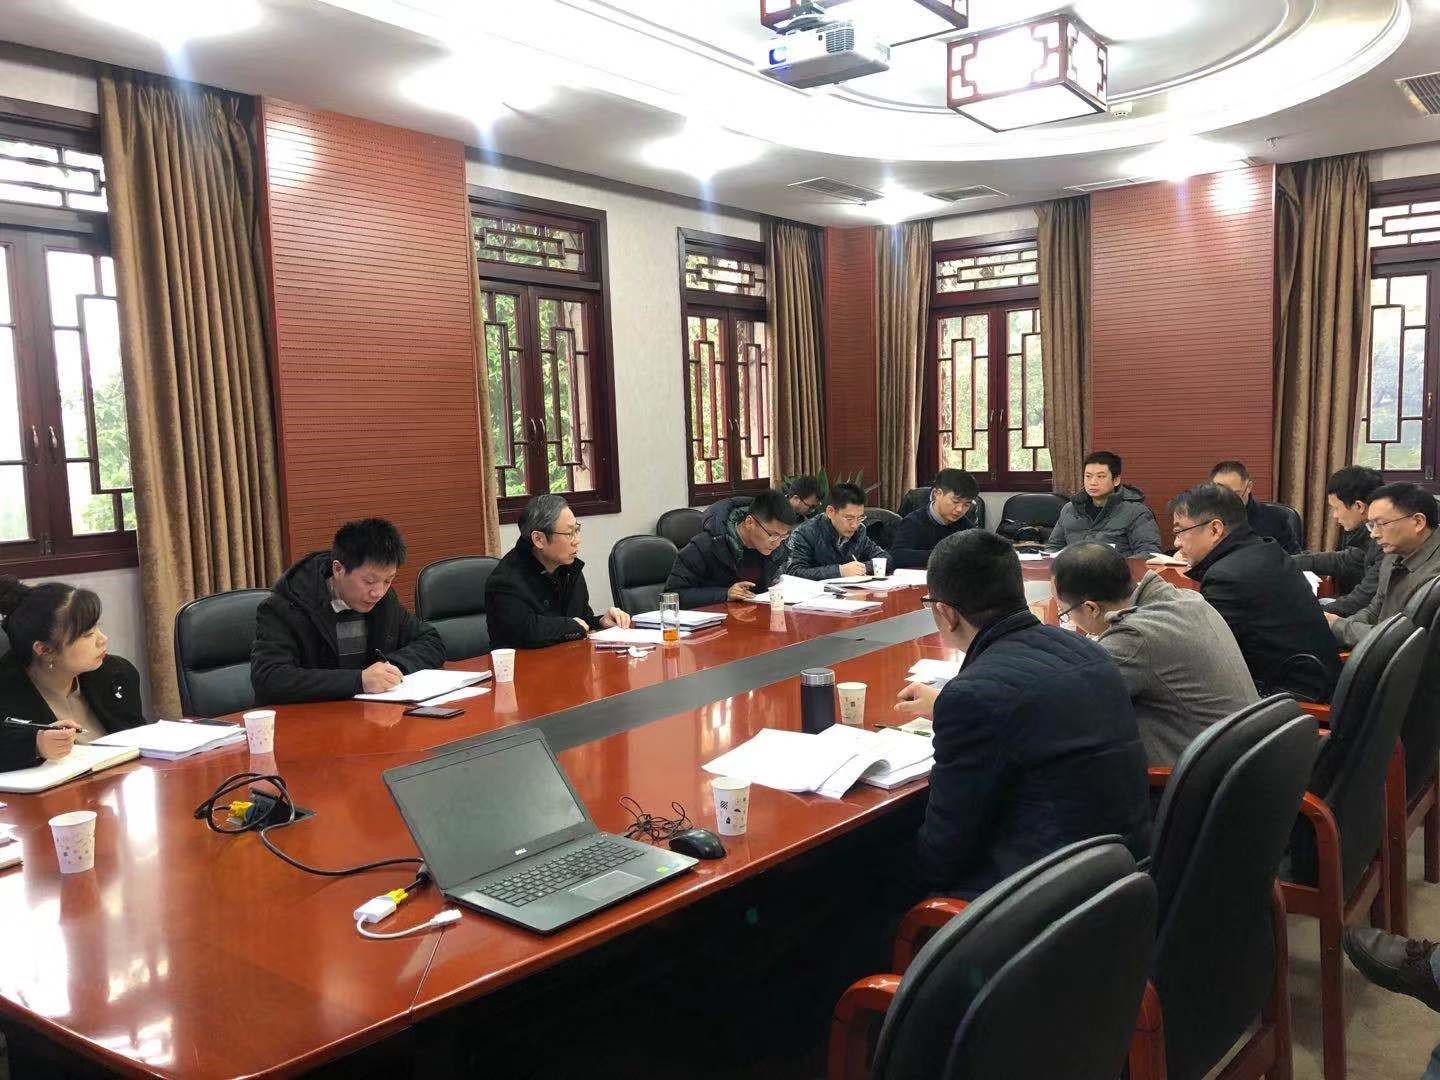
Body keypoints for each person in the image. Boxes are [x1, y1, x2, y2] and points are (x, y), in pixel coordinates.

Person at [893, 531, 1150, 898]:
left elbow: (943, 852)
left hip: (1040, 899)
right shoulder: (1088, 651)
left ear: (945, 612)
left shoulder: (972, 695)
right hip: (1121, 875)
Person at [1051, 543, 1258, 766]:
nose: (1067, 619)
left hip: (1207, 774)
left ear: (1091, 608)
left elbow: (1068, 704)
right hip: (1246, 754)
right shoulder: (1185, 598)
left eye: (1064, 612)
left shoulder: (1134, 637)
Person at [1169, 483, 1340, 702]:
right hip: (1318, 681)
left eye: (1179, 531)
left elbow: (1208, 657)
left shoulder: (1226, 577)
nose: (1176, 542)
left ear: (1215, 529)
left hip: (1292, 697)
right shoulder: (1267, 549)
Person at [252, 518, 446, 705]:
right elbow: (269, 678)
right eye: (369, 581)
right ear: (338, 569)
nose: (378, 592)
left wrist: (390, 669)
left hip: (371, 714)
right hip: (311, 719)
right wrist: (359, 680)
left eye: (388, 580)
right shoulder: (286, 606)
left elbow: (430, 641)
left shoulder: (385, 600)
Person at [0, 577, 144, 772]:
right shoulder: (7, 689)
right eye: (88, 635)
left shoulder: (117, 674)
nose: (102, 639)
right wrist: (34, 746)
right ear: (44, 650)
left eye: (97, 626)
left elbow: (139, 741)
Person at [485, 494, 631, 649]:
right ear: (539, 539)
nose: (577, 540)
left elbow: (581, 621)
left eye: (577, 530)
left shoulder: (569, 569)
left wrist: (600, 622)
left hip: (567, 659)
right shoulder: (506, 580)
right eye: (569, 534)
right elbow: (525, 632)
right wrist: (571, 626)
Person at [1328, 481, 1440, 648]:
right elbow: (1374, 610)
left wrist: (1338, 626)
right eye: (1371, 525)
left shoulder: (1435, 578)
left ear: (1418, 522)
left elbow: (1403, 641)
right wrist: (1337, 626)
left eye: (1381, 524)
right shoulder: (1394, 554)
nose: (1373, 534)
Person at [665, 488, 797, 608]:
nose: (777, 543)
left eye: (783, 537)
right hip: (714, 622)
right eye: (773, 535)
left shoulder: (775, 551)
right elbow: (672, 594)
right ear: (749, 522)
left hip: (756, 618)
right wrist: (725, 594)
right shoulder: (705, 546)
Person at [1293, 465, 1384, 615]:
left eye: (1336, 508)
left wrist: (1311, 616)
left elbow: (1362, 599)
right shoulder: (1368, 536)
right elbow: (1342, 560)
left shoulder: (1387, 542)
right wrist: (1285, 561)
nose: (1335, 516)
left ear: (1359, 506)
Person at [1045, 450, 1161, 557]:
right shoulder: (1069, 509)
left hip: (1117, 572)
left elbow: (1149, 553)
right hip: (1072, 571)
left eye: (1100, 476)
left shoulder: (1136, 512)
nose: (1093, 482)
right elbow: (1053, 547)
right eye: (1088, 476)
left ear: (1116, 480)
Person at [784, 482, 888, 580]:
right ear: (830, 512)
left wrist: (862, 568)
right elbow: (793, 572)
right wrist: (840, 571)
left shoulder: (859, 531)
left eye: (860, 518)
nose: (854, 525)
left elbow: (885, 558)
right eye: (849, 518)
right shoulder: (805, 533)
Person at [890, 468, 978, 569]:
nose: (960, 509)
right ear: (938, 494)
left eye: (966, 504)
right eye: (955, 501)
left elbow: (978, 550)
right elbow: (897, 556)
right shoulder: (913, 522)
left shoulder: (964, 524)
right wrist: (944, 555)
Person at [1209, 460, 1302, 554]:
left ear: (1249, 487)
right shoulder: (1203, 518)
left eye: (1235, 495)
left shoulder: (1275, 518)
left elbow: (1293, 558)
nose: (1227, 501)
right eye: (1220, 494)